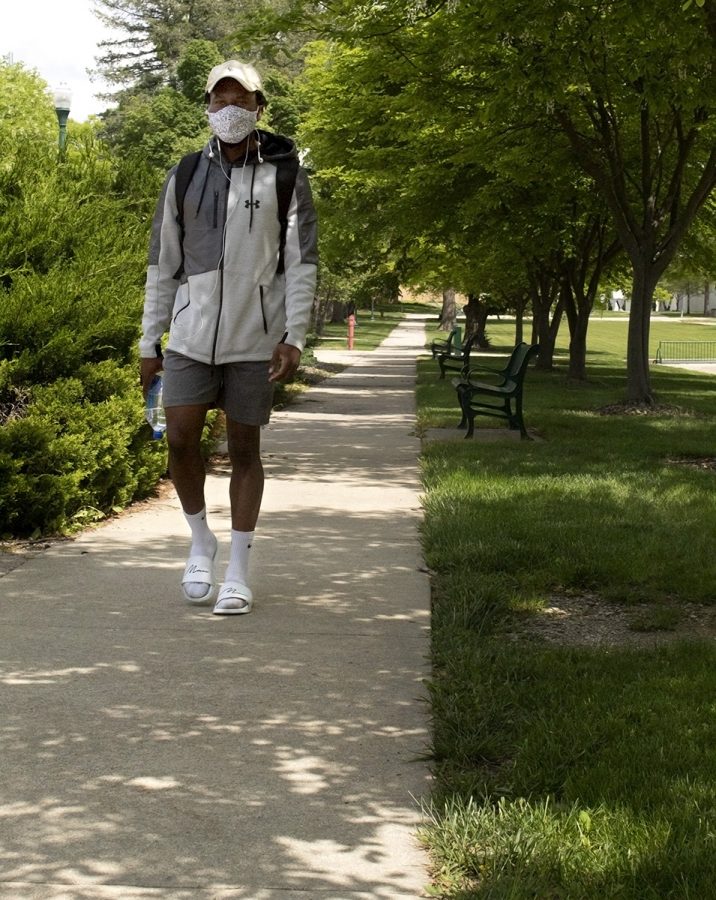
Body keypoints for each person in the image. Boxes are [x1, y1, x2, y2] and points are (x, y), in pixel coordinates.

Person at [139, 60, 318, 615]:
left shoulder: (283, 174)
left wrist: (293, 336)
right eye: (219, 101)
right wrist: (151, 341)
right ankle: (201, 540)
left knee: (244, 449)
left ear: (259, 107)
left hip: (255, 340)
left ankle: (239, 567)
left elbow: (301, 261)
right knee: (179, 440)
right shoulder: (187, 172)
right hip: (190, 337)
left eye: (239, 100)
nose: (229, 110)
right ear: (207, 108)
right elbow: (163, 263)